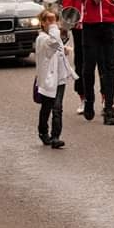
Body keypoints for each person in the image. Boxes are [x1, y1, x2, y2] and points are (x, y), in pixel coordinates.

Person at [35, 10, 78, 149]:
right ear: (42, 22)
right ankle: (43, 131)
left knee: (58, 107)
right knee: (47, 107)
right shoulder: (41, 38)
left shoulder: (55, 34)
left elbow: (57, 46)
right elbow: (52, 44)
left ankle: (55, 137)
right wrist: (54, 27)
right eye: (48, 19)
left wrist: (64, 50)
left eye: (54, 19)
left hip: (59, 78)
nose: (51, 22)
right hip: (48, 79)